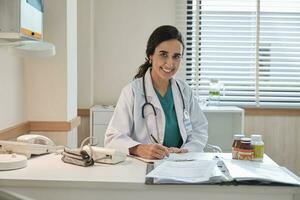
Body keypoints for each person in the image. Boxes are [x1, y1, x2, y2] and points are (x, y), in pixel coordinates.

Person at [104, 25, 208, 159]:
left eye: (176, 56)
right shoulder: (132, 92)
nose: (170, 63)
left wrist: (186, 150)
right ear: (151, 56)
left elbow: (199, 130)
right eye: (163, 54)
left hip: (180, 163)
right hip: (143, 165)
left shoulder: (185, 91)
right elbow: (113, 138)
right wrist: (138, 149)